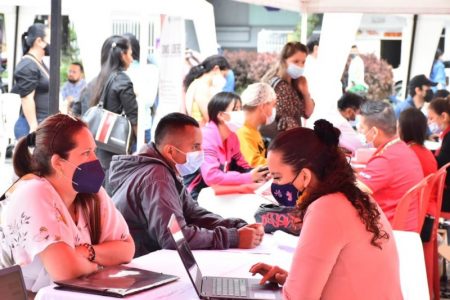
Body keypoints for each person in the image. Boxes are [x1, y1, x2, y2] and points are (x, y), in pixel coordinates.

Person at [249, 120, 402, 299]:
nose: (274, 185)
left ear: (305, 176)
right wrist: (292, 280)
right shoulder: (356, 196)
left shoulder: (326, 209)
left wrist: (294, 287)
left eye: (277, 177)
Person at [0, 114, 134, 292]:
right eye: (86, 153)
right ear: (58, 163)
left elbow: (127, 249)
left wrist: (88, 252)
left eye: (94, 150)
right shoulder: (34, 192)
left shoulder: (92, 194)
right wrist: (99, 266)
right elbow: (66, 272)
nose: (95, 159)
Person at [108, 112, 264, 257]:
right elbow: (175, 238)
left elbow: (193, 214)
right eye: (195, 147)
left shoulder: (162, 169)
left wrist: (236, 226)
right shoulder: (157, 177)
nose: (201, 152)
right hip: (138, 264)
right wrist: (233, 238)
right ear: (170, 151)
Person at [184, 92, 269, 200]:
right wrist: (248, 177)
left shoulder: (232, 137)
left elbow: (243, 166)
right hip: (196, 195)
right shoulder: (206, 138)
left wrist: (261, 174)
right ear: (221, 115)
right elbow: (211, 176)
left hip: (215, 191)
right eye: (235, 109)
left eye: (240, 109)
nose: (240, 113)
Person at [357, 100, 423, 232]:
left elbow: (353, 191)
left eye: (362, 128)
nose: (360, 131)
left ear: (374, 131)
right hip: (405, 225)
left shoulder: (386, 159)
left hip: (388, 231)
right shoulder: (401, 149)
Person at [90, 35, 138, 190]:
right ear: (122, 55)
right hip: (115, 152)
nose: (131, 59)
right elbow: (133, 117)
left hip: (96, 148)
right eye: (130, 54)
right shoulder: (122, 80)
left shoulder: (100, 79)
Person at [260, 41, 315, 140]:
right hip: (280, 142)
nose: (300, 66)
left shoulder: (295, 83)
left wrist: (305, 92)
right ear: (284, 61)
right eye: (296, 61)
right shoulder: (280, 86)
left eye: (303, 62)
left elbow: (307, 113)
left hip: (285, 140)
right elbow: (285, 121)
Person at [11, 23, 50, 139]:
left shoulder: (38, 63)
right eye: (50, 38)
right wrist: (34, 128)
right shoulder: (27, 65)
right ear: (39, 41)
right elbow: (27, 98)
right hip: (32, 126)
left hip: (43, 123)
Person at [123, 33, 159, 145]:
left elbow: (148, 100)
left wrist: (132, 92)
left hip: (142, 126)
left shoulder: (150, 69)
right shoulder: (118, 72)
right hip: (119, 128)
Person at [236, 82, 277, 167]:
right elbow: (253, 164)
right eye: (273, 105)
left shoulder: (252, 130)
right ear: (262, 106)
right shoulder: (241, 131)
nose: (274, 110)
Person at [183, 55, 231, 125]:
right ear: (216, 69)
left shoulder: (198, 83)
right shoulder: (201, 87)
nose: (225, 80)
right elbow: (209, 117)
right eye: (224, 75)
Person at [399, 107, 437, 177]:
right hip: (429, 186)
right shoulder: (427, 151)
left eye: (398, 126)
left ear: (403, 130)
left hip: (420, 187)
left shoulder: (407, 153)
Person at [428, 97, 450, 211]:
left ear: (444, 116)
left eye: (431, 118)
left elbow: (440, 163)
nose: (429, 122)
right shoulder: (446, 136)